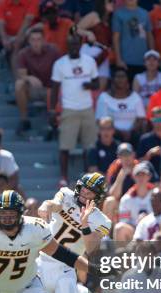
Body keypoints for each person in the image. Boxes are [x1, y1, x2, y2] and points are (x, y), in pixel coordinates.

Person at [38, 173, 111, 293]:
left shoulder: (102, 220)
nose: (86, 192)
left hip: (66, 268)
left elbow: (91, 248)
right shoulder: (65, 194)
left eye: (92, 191)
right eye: (85, 187)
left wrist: (85, 223)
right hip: (42, 262)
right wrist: (45, 207)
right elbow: (54, 205)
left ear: (98, 196)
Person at [50, 34, 100, 186]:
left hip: (87, 107)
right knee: (65, 145)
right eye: (70, 44)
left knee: (89, 145)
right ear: (67, 45)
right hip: (69, 108)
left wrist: (89, 86)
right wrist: (52, 110)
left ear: (81, 45)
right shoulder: (60, 64)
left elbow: (97, 84)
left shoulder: (89, 62)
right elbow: (54, 89)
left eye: (76, 44)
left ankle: (87, 176)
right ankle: (64, 177)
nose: (73, 47)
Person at [15, 28, 61, 135]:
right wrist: (30, 78)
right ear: (29, 41)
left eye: (38, 39)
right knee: (19, 84)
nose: (36, 43)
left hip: (52, 89)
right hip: (34, 89)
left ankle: (55, 123)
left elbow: (63, 69)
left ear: (44, 40)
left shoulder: (53, 52)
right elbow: (21, 75)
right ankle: (24, 120)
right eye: (33, 40)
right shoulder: (23, 54)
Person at [95, 67, 146, 141]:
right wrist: (119, 132)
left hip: (132, 134)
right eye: (118, 76)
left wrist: (130, 132)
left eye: (123, 76)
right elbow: (100, 121)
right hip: (112, 135)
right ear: (112, 80)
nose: (120, 79)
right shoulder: (104, 97)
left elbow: (140, 119)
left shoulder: (135, 97)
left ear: (127, 80)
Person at [111, 0, 153, 80]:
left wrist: (152, 56)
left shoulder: (145, 13)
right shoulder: (118, 14)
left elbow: (149, 36)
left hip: (143, 61)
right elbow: (116, 37)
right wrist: (118, 59)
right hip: (126, 61)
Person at [0, 0, 38, 76]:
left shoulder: (32, 1)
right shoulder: (3, 3)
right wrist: (4, 39)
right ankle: (18, 79)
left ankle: (18, 80)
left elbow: (28, 19)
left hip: (28, 32)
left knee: (16, 46)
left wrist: (19, 37)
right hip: (10, 35)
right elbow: (0, 22)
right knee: (12, 46)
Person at [76, 0, 113, 90]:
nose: (112, 3)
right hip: (90, 51)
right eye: (109, 1)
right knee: (84, 83)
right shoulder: (94, 16)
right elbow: (73, 29)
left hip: (104, 54)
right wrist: (88, 33)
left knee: (101, 88)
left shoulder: (111, 19)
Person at [115, 162, 154, 241]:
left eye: (143, 174)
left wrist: (147, 220)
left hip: (153, 230)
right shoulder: (126, 199)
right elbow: (124, 221)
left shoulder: (157, 195)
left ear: (149, 176)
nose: (141, 178)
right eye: (138, 175)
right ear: (133, 177)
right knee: (119, 228)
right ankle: (122, 253)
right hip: (134, 231)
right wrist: (138, 223)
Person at [137, 106, 161, 178]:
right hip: (150, 178)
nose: (159, 122)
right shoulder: (144, 139)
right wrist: (149, 154)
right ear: (152, 120)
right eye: (156, 119)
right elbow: (138, 163)